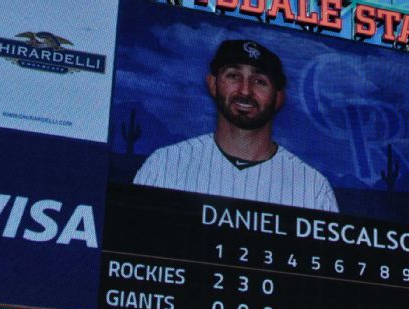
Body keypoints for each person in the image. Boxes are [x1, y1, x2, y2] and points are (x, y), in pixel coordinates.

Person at [134, 39, 337, 213]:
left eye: (259, 81)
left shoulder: (313, 187)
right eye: (233, 76)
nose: (245, 91)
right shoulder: (164, 164)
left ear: (278, 98)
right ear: (213, 84)